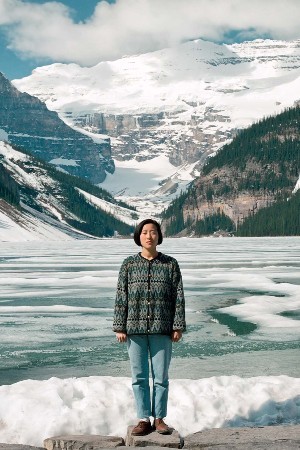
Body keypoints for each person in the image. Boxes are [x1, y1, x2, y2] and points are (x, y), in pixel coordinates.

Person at [113, 218, 186, 436]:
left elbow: (178, 297)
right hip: (133, 329)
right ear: (138, 236)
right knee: (139, 376)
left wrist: (178, 325)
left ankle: (160, 419)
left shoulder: (170, 264)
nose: (149, 236)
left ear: (159, 236)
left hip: (162, 328)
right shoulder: (128, 264)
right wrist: (119, 326)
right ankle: (143, 419)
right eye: (145, 232)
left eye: (153, 232)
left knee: (161, 377)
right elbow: (121, 296)